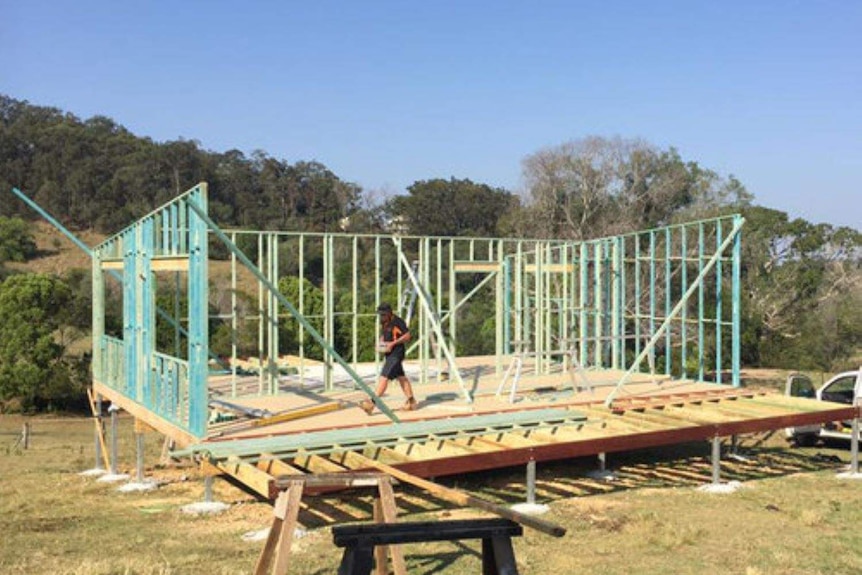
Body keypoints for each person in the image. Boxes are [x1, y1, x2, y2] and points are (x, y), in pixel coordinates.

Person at [361, 302, 417, 414]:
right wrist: (381, 343)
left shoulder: (398, 321)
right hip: (390, 354)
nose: (381, 317)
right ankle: (411, 401)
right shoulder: (385, 322)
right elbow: (385, 335)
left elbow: (407, 336)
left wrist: (393, 343)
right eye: (380, 314)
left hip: (396, 354)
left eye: (383, 314)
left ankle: (372, 402)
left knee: (384, 377)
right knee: (401, 377)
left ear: (389, 313)